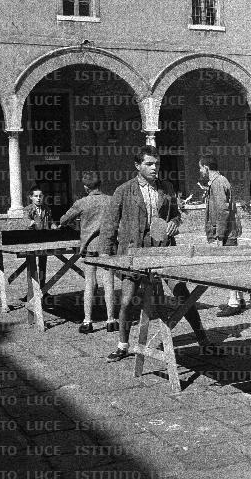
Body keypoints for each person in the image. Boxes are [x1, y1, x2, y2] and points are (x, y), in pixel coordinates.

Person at [99, 146, 212, 362]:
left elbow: (176, 215)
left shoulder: (166, 187)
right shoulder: (123, 190)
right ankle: (123, 345)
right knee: (127, 301)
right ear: (137, 165)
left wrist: (174, 223)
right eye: (149, 164)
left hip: (163, 251)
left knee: (183, 294)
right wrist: (105, 254)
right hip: (133, 254)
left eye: (157, 163)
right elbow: (110, 223)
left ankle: (203, 340)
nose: (154, 168)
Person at [58, 171, 116, 334]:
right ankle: (111, 320)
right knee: (108, 284)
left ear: (85, 187)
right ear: (100, 184)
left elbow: (63, 220)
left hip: (89, 248)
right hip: (107, 247)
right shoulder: (111, 200)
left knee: (89, 284)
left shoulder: (81, 203)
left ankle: (87, 321)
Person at [199, 156, 244, 317]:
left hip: (225, 233)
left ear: (206, 167)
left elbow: (222, 211)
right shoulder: (219, 181)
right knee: (232, 266)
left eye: (200, 168)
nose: (200, 171)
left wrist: (219, 235)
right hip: (229, 231)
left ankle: (233, 303)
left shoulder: (217, 183)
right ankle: (239, 299)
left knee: (228, 268)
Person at [19, 185, 56, 303]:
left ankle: (43, 290)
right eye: (36, 196)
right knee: (31, 267)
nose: (39, 198)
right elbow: (26, 220)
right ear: (31, 197)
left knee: (43, 266)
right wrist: (31, 222)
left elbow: (51, 222)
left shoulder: (47, 209)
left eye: (40, 196)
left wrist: (55, 227)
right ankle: (31, 292)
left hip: (44, 242)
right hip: (32, 241)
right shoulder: (27, 209)